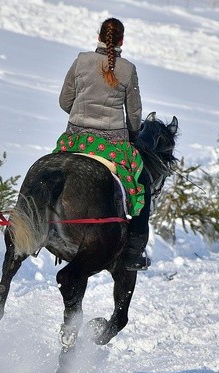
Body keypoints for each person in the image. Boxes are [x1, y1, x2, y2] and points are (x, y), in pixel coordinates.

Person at [55, 17, 150, 271]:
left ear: (98, 35)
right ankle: (134, 250)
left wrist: (82, 118)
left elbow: (65, 101)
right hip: (113, 144)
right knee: (143, 183)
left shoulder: (81, 60)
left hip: (75, 138)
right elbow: (134, 115)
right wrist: (131, 134)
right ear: (122, 41)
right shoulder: (127, 69)